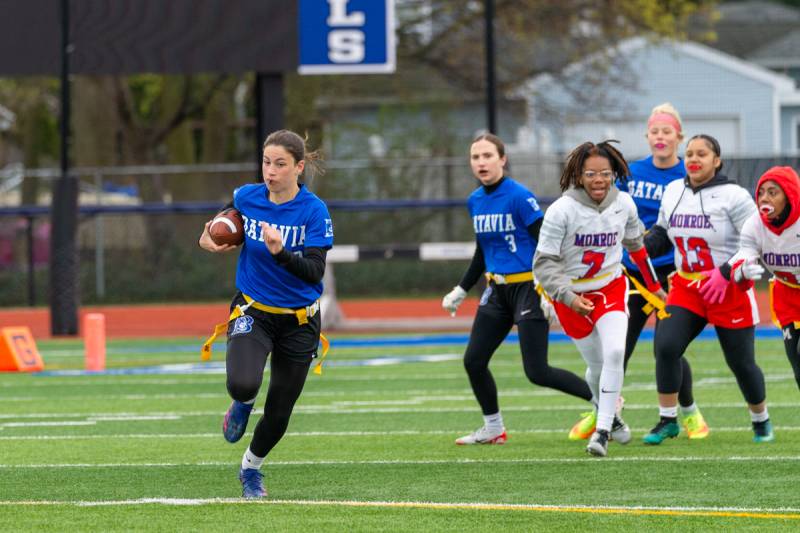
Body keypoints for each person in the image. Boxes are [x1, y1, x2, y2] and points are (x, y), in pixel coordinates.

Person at [198, 130, 334, 498]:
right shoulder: (247, 196)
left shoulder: (313, 211)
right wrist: (209, 236)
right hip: (254, 309)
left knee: (279, 411)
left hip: (299, 321)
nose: (270, 171)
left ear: (299, 167)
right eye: (265, 162)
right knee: (242, 384)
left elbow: (314, 271)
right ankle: (242, 404)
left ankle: (250, 469)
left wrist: (280, 253)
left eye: (280, 164)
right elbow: (222, 224)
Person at [442, 133, 594, 445]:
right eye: (476, 157)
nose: (481, 162)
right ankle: (493, 427)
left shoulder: (519, 196)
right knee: (473, 360)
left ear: (502, 159)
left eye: (487, 156)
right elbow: (483, 251)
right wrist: (462, 288)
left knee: (537, 371)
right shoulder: (475, 201)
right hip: (496, 291)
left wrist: (552, 286)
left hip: (529, 287)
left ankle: (604, 403)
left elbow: (546, 242)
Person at [533, 140, 665, 457]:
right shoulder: (561, 211)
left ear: (614, 173)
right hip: (572, 294)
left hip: (610, 286)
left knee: (615, 352)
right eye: (591, 173)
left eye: (605, 173)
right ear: (578, 174)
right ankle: (612, 416)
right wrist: (566, 296)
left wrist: (654, 285)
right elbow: (543, 263)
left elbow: (636, 246)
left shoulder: (625, 204)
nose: (599, 180)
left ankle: (602, 431)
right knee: (596, 366)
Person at [642, 134, 773, 444]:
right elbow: (662, 233)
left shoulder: (734, 195)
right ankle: (668, 420)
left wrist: (727, 271)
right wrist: (640, 244)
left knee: (740, 363)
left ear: (717, 160)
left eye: (702, 153)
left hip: (728, 287)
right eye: (689, 153)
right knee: (666, 346)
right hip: (687, 285)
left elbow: (756, 240)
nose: (693, 159)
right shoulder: (674, 190)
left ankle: (760, 420)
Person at [729, 166, 800, 393]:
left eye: (773, 192)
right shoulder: (754, 224)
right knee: (797, 366)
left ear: (789, 195)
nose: (764, 199)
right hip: (788, 295)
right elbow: (744, 257)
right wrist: (742, 272)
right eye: (761, 192)